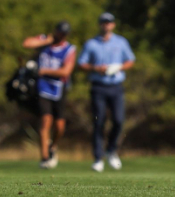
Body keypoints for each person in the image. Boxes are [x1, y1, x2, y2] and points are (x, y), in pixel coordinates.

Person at [77, 11, 135, 172]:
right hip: (98, 87)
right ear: (100, 24)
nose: (106, 25)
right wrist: (96, 68)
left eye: (109, 22)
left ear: (113, 24)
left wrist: (119, 67)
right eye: (103, 22)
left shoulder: (121, 42)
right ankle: (97, 158)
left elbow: (130, 60)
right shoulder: (91, 44)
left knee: (118, 120)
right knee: (99, 121)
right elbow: (81, 63)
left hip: (116, 86)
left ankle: (111, 151)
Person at [22, 21, 76, 169]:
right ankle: (45, 157)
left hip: (59, 87)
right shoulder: (45, 41)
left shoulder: (69, 49)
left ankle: (53, 146)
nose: (61, 35)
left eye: (64, 34)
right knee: (45, 121)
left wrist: (44, 71)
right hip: (42, 86)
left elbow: (66, 71)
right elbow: (26, 43)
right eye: (60, 32)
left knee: (59, 126)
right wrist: (46, 41)